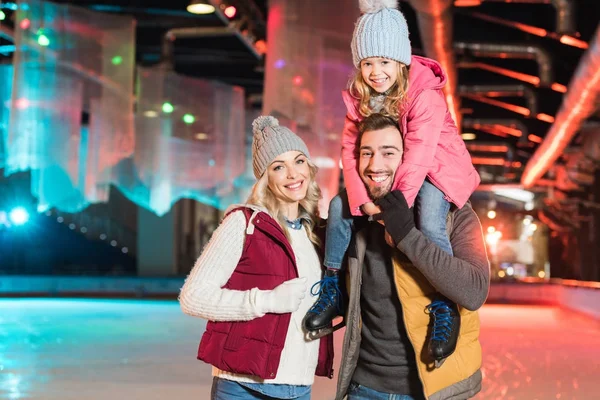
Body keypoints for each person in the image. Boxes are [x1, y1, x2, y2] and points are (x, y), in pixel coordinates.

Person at [304, 0, 480, 366]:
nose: (375, 72)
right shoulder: (359, 96)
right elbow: (350, 151)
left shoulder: (424, 93)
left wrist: (393, 206)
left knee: (430, 217)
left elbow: (418, 155)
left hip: (437, 167)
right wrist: (357, 202)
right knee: (338, 206)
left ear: (400, 60)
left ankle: (445, 303)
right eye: (367, 63)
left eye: (383, 62)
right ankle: (333, 284)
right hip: (392, 167)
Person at [334, 113, 489, 400]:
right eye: (366, 153)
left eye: (388, 153)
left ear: (409, 159)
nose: (374, 165)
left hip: (436, 390)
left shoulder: (454, 216)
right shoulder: (354, 220)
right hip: (366, 388)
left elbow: (473, 292)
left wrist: (406, 235)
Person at [179, 116, 334, 400]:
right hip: (243, 386)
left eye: (299, 161)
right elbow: (193, 296)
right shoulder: (244, 224)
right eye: (278, 167)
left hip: (298, 386)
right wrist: (265, 300)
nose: (292, 174)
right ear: (265, 177)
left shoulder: (317, 233)